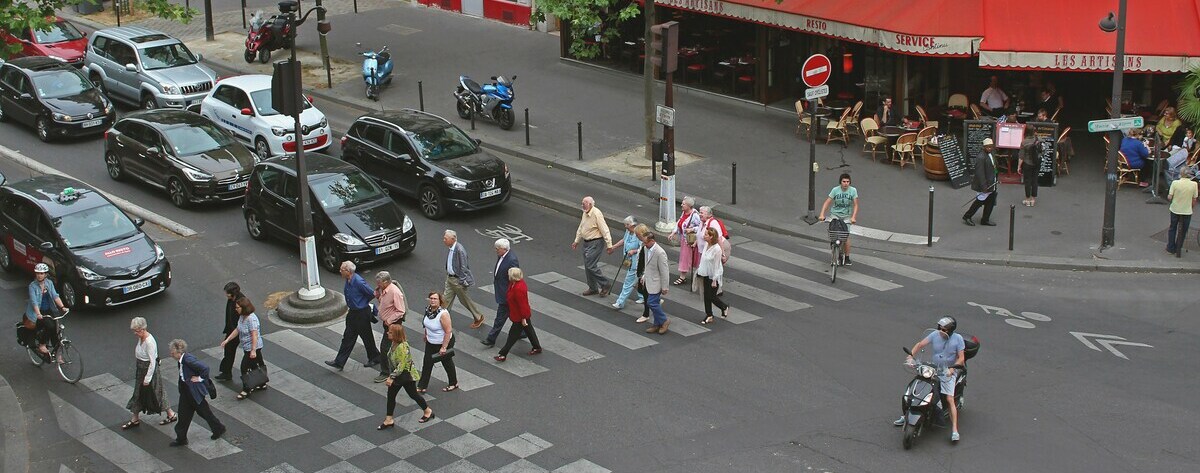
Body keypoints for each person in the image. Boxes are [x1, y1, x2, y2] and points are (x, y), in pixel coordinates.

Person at [895, 317, 965, 443]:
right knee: (914, 388)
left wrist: (952, 369)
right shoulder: (935, 334)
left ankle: (955, 430)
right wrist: (911, 357)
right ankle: (905, 415)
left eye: (944, 329)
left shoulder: (958, 339)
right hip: (931, 367)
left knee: (949, 399)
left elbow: (961, 358)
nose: (940, 331)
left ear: (950, 331)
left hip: (947, 371)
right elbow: (920, 345)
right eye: (940, 328)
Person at [168, 339, 225, 447]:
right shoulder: (182, 360)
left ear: (179, 352)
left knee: (204, 412)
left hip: (193, 392)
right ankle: (181, 438)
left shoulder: (188, 360)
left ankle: (219, 428)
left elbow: (205, 368)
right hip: (186, 391)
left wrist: (199, 378)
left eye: (173, 351)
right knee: (184, 415)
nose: (171, 353)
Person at [325, 261, 381, 370]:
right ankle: (339, 361)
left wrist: (362, 303)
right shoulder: (348, 279)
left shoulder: (359, 282)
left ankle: (375, 357)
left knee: (367, 337)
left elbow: (371, 293)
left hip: (361, 313)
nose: (340, 271)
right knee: (348, 337)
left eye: (342, 269)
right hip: (353, 313)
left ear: (348, 271)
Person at [123, 317, 177, 430]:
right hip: (141, 368)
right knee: (138, 393)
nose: (135, 333)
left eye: (137, 331)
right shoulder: (142, 338)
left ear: (143, 329)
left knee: (157, 393)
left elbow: (153, 362)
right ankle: (135, 418)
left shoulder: (149, 341)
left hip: (148, 370)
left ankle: (171, 414)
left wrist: (147, 379)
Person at [378, 324, 434, 430]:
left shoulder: (402, 347)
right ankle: (389, 419)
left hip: (406, 376)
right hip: (400, 376)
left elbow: (402, 364)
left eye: (390, 332)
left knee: (413, 395)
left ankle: (427, 411)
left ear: (396, 334)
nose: (387, 333)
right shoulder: (394, 343)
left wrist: (391, 377)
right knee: (391, 396)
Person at [494, 267, 543, 361]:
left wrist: (523, 318)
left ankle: (503, 354)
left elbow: (522, 305)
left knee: (512, 335)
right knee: (529, 331)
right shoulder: (514, 284)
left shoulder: (518, 288)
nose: (507, 275)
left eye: (509, 274)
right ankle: (537, 347)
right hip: (519, 314)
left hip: (520, 316)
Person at [221, 296, 266, 400]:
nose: (236, 309)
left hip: (253, 347)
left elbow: (254, 335)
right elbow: (238, 329)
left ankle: (247, 389)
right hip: (247, 346)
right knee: (256, 365)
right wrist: (227, 340)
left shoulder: (251, 319)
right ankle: (262, 382)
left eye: (237, 307)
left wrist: (253, 350)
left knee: (244, 368)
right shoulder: (242, 316)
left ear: (244, 307)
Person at [442, 230, 486, 328]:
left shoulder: (460, 250)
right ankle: (442, 318)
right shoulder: (451, 247)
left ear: (453, 239)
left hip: (457, 280)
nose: (443, 240)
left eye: (446, 238)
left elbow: (463, 267)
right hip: (450, 278)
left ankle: (478, 317)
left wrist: (461, 281)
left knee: (464, 300)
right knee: (446, 299)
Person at [417, 292, 459, 393]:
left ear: (440, 301)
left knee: (447, 362)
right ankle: (422, 386)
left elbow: (448, 331)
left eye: (435, 299)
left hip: (443, 342)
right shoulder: (428, 310)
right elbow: (426, 324)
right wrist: (426, 335)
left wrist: (444, 347)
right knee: (427, 363)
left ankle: (453, 383)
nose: (432, 300)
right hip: (431, 342)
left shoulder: (443, 314)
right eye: (431, 298)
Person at [572, 196, 613, 296]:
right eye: (582, 203)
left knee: (590, 265)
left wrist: (609, 245)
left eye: (584, 203)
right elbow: (581, 227)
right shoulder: (585, 213)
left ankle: (605, 284)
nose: (582, 205)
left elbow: (604, 229)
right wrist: (576, 240)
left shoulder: (596, 213)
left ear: (590, 204)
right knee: (587, 266)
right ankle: (593, 288)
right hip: (586, 242)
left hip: (596, 242)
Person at [482, 238, 519, 347]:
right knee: (516, 314)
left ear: (504, 249)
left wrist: (510, 293)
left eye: (497, 249)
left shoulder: (512, 260)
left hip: (506, 295)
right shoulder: (502, 255)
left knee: (500, 318)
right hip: (503, 291)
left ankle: (491, 338)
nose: (495, 250)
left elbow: (514, 278)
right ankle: (522, 331)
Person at [24, 263, 66, 358]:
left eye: (42, 273)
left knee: (56, 331)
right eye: (38, 273)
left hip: (49, 310)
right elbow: (34, 301)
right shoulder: (32, 286)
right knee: (50, 326)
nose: (39, 275)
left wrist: (62, 307)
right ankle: (42, 344)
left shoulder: (49, 283)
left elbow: (55, 296)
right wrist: (38, 313)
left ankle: (58, 355)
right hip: (37, 312)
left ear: (46, 274)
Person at [817, 173, 859, 264]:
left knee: (846, 237)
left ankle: (847, 257)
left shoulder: (853, 190)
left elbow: (855, 205)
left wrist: (853, 217)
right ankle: (836, 251)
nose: (846, 183)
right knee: (834, 234)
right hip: (835, 214)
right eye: (844, 181)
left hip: (846, 216)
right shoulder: (835, 190)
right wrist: (822, 214)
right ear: (840, 182)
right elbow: (827, 202)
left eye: (848, 182)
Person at [373, 271, 407, 383]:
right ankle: (398, 366)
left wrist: (389, 320)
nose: (378, 284)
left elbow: (401, 311)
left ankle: (385, 372)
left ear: (386, 282)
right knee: (392, 346)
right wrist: (378, 293)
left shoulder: (395, 292)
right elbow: (381, 301)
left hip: (393, 324)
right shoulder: (383, 289)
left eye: (379, 283)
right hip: (387, 323)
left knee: (385, 347)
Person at [694, 228, 729, 326]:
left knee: (712, 296)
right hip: (705, 273)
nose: (703, 236)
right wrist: (700, 271)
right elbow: (703, 260)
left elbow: (717, 266)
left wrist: (714, 280)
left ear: (711, 237)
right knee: (706, 295)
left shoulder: (717, 249)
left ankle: (724, 307)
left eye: (706, 234)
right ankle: (709, 314)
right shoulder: (706, 244)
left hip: (714, 275)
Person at [610, 216, 644, 310]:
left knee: (628, 282)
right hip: (629, 259)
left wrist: (634, 251)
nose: (625, 226)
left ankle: (620, 302)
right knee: (639, 279)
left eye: (627, 225)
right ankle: (643, 296)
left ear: (632, 225)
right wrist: (614, 247)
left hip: (636, 262)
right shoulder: (628, 232)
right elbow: (624, 240)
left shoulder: (639, 234)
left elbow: (643, 248)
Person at [963, 138, 999, 226]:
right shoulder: (981, 157)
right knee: (979, 201)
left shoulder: (991, 154)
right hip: (985, 185)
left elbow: (994, 167)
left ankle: (985, 219)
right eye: (987, 147)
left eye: (991, 147)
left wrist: (996, 178)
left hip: (992, 182)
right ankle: (967, 216)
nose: (989, 149)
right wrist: (984, 186)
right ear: (984, 147)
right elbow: (980, 173)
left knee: (990, 201)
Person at [640, 232, 671, 335]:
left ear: (652, 241)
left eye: (646, 242)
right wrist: (644, 275)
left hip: (656, 283)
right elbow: (647, 265)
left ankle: (664, 320)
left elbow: (664, 271)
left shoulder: (660, 252)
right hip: (649, 280)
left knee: (651, 302)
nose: (644, 244)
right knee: (655, 303)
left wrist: (665, 286)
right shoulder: (646, 249)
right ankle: (657, 324)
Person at [668, 196, 701, 287]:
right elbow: (679, 222)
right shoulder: (684, 212)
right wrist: (673, 232)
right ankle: (687, 275)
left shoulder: (695, 215)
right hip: (685, 239)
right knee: (685, 257)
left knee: (687, 257)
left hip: (692, 240)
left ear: (689, 206)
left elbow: (702, 227)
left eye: (683, 204)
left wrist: (692, 229)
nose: (681, 205)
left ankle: (684, 277)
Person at [1166, 166, 1198, 257]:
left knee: (1173, 228)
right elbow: (1194, 199)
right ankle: (1178, 247)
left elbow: (1170, 197)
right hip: (1187, 211)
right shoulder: (1194, 184)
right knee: (1184, 230)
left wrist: (1170, 199)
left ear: (1181, 174)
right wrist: (1191, 207)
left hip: (1175, 209)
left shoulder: (1175, 183)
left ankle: (1170, 248)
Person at [215, 282, 244, 381]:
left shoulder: (240, 301)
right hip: (231, 329)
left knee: (229, 350)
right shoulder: (231, 299)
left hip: (236, 331)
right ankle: (226, 371)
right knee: (228, 350)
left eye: (227, 293)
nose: (226, 294)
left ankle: (227, 372)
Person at [633, 224, 653, 324]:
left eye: (637, 235)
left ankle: (646, 314)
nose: (636, 237)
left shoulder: (647, 246)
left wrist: (644, 274)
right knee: (645, 293)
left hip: (645, 274)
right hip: (641, 272)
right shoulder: (643, 244)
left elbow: (648, 261)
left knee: (646, 294)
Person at [1019, 134, 1040, 207]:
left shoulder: (1024, 142)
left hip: (1027, 163)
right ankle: (1033, 199)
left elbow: (1021, 156)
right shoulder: (1039, 139)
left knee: (1027, 181)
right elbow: (1042, 151)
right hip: (1036, 163)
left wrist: (1018, 167)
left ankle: (1027, 199)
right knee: (1035, 180)